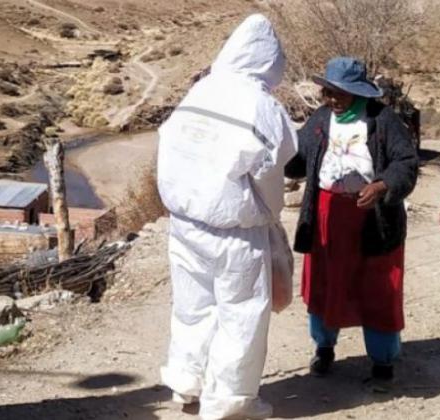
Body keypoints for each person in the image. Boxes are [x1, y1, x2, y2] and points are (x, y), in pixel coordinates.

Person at [156, 14, 297, 420]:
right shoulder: (261, 104)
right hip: (235, 232)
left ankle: (186, 382)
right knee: (241, 316)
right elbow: (273, 168)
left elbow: (170, 146)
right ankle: (230, 403)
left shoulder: (201, 91)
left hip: (184, 224)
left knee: (191, 306)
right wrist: (270, 215)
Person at [285, 57, 418, 390]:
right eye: (328, 92)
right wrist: (276, 152)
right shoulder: (320, 120)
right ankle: (324, 347)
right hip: (327, 215)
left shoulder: (382, 120)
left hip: (374, 217)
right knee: (325, 280)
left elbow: (406, 161)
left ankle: (383, 360)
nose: (333, 99)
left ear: (359, 93)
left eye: (340, 93)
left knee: (378, 285)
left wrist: (382, 185)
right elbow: (298, 161)